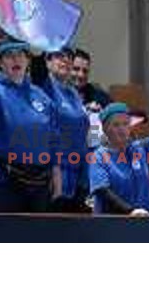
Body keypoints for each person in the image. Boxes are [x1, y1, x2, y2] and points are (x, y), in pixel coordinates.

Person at [0, 37, 62, 212]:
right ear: (1, 62)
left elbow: (54, 137)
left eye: (21, 55)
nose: (16, 59)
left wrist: (57, 177)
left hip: (39, 182)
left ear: (28, 60)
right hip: (2, 181)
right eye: (9, 55)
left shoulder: (40, 95)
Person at [89, 78, 149, 215]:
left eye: (126, 124)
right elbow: (104, 193)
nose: (122, 129)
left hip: (146, 222)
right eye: (116, 125)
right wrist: (131, 211)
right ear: (105, 129)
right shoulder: (97, 157)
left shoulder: (140, 148)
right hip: (113, 228)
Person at [30, 47, 90, 212]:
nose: (65, 59)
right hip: (55, 173)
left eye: (69, 57)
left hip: (78, 174)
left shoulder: (74, 94)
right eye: (59, 56)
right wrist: (38, 48)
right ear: (48, 62)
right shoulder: (44, 87)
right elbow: (37, 70)